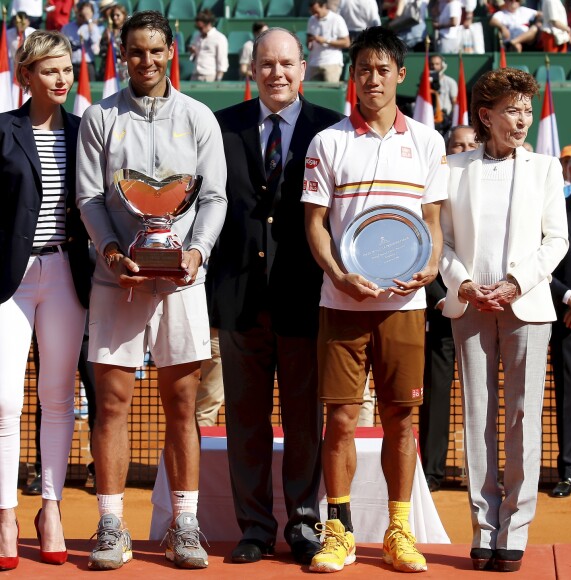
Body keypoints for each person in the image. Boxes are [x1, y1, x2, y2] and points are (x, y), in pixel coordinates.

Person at [76, 10, 227, 570]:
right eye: (135, 52)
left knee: (182, 404)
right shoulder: (99, 117)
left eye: (155, 51)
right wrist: (114, 254)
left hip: (184, 281)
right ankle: (111, 524)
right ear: (122, 54)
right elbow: (91, 198)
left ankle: (184, 526)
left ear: (172, 53)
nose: (146, 61)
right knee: (112, 404)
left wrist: (196, 251)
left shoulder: (199, 117)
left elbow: (212, 199)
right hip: (117, 281)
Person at [302, 26, 448, 573]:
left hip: (404, 309)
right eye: (363, 69)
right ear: (352, 77)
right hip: (341, 303)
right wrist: (338, 273)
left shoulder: (428, 142)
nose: (373, 79)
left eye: (383, 69)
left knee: (401, 422)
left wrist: (431, 266)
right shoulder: (329, 142)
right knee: (339, 419)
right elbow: (314, 224)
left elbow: (432, 226)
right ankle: (337, 531)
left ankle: (398, 530)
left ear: (400, 75)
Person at [207, 27, 343, 566]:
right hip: (239, 300)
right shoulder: (221, 129)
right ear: (252, 70)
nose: (277, 73)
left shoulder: (330, 130)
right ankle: (256, 528)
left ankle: (305, 523)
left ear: (303, 69)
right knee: (245, 420)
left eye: (287, 63)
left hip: (306, 299)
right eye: (266, 64)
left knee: (305, 419)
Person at [439, 67, 568, 572]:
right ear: (485, 116)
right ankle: (483, 527)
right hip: (469, 305)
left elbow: (555, 241)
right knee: (476, 416)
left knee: (521, 419)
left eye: (526, 110)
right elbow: (441, 241)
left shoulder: (545, 168)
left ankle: (515, 527)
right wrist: (463, 283)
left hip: (527, 305)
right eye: (512, 110)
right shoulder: (452, 168)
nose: (522, 119)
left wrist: (516, 282)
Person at [0, 29, 91, 571]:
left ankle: (50, 509)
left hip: (67, 273)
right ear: (26, 75)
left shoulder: (86, 131)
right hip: (9, 279)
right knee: (5, 402)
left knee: (58, 397)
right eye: (49, 69)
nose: (60, 78)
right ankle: (6, 513)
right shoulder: (2, 131)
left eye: (65, 68)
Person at [420, 124, 479, 493]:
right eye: (458, 144)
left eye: (472, 143)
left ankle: (483, 476)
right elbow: (424, 244)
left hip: (487, 305)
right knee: (436, 394)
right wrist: (441, 296)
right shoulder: (432, 186)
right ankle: (431, 473)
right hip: (442, 308)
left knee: (483, 395)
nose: (465, 148)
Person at [549, 149, 571, 498]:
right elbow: (544, 264)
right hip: (567, 323)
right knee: (568, 398)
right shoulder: (556, 212)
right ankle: (569, 472)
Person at [306, 0, 350, 82]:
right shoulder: (311, 19)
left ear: (323, 6)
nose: (314, 14)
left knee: (330, 92)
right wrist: (310, 42)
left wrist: (326, 41)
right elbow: (308, 41)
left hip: (332, 63)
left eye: (316, 11)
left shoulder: (337, 19)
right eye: (312, 12)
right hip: (314, 62)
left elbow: (346, 43)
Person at [61, 1, 102, 81]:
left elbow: (95, 48)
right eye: (81, 14)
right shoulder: (67, 28)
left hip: (87, 64)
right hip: (71, 64)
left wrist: (89, 21)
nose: (82, 16)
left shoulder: (94, 28)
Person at [188, 9, 229, 81]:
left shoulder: (219, 38)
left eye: (201, 28)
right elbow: (194, 57)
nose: (199, 30)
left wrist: (218, 79)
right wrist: (193, 52)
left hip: (209, 76)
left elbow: (222, 61)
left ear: (208, 24)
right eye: (197, 28)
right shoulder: (197, 36)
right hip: (195, 74)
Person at [99, 3, 129, 81]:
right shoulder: (108, 31)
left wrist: (113, 48)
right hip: (109, 68)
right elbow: (102, 52)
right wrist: (107, 42)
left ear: (124, 15)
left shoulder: (128, 31)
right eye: (113, 15)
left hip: (123, 70)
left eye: (117, 15)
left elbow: (128, 51)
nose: (115, 18)